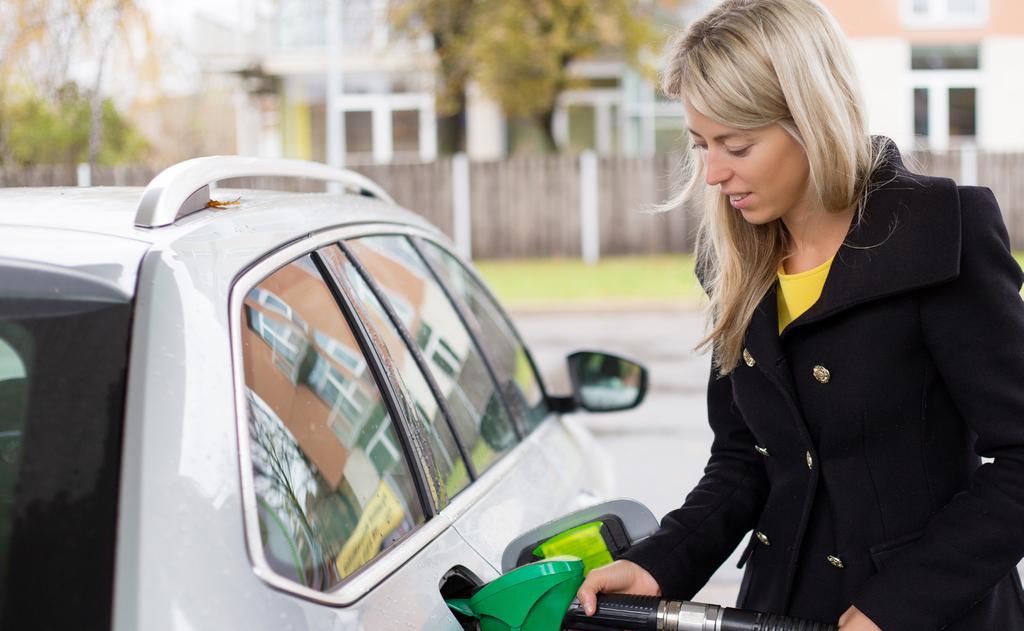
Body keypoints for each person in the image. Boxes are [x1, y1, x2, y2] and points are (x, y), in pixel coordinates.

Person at [576, 0, 1024, 629]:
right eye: (702, 143)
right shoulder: (733, 263)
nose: (713, 173)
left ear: (812, 119)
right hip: (780, 609)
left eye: (736, 144)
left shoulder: (942, 234)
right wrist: (659, 564)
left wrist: (897, 605)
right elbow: (743, 459)